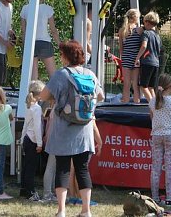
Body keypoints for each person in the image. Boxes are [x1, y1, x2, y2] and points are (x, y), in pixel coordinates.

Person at [39, 40, 105, 217]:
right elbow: (100, 96)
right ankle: (86, 210)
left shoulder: (61, 75)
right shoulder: (90, 74)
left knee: (62, 168)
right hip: (84, 130)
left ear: (65, 56)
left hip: (63, 129)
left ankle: (61, 211)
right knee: (82, 169)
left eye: (61, 54)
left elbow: (44, 95)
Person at [148, 73, 171, 206]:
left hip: (156, 134)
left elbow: (152, 117)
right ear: (170, 87)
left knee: (155, 167)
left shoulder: (152, 101)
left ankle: (155, 197)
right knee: (170, 167)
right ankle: (169, 197)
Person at [19, 0, 61, 79]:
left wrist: (24, 46)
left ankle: (34, 92)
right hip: (45, 42)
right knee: (53, 74)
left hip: (31, 43)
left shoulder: (25, 9)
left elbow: (23, 31)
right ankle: (55, 92)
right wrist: (60, 45)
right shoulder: (48, 8)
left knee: (33, 76)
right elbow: (53, 30)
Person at [20, 80, 45, 201]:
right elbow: (37, 127)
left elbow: (26, 125)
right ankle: (30, 192)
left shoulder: (30, 106)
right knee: (31, 167)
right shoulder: (37, 108)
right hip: (33, 140)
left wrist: (22, 138)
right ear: (39, 94)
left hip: (27, 139)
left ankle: (24, 190)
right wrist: (40, 143)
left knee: (26, 166)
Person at [134, 11, 162, 103]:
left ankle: (152, 105)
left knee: (143, 86)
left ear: (147, 22)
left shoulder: (146, 33)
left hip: (147, 62)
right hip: (156, 63)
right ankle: (157, 105)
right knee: (151, 87)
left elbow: (144, 46)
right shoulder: (157, 35)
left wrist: (137, 57)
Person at [118, 9, 142, 104]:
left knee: (126, 83)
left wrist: (123, 57)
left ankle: (125, 102)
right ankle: (137, 102)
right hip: (136, 58)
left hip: (126, 57)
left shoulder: (122, 30)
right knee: (135, 83)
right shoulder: (139, 30)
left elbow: (121, 48)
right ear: (135, 17)